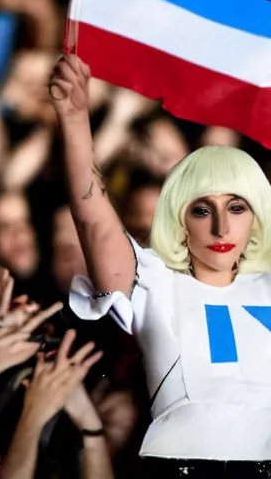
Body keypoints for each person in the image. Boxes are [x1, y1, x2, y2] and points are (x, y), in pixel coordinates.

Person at [50, 54, 271, 477]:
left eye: (237, 207)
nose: (221, 225)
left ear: (257, 216)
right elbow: (93, 219)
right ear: (179, 220)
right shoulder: (156, 284)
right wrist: (75, 120)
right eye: (202, 210)